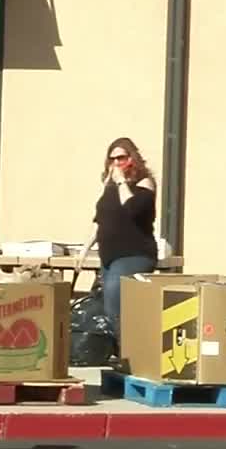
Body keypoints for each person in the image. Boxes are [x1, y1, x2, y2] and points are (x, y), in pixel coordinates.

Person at [76, 137, 159, 351]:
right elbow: (100, 220)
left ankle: (130, 352)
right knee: (109, 304)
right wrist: (84, 250)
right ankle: (120, 350)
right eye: (112, 159)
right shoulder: (110, 187)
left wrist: (121, 181)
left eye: (121, 157)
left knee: (115, 300)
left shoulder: (144, 184)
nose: (116, 163)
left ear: (132, 158)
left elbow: (132, 209)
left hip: (134, 255)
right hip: (109, 257)